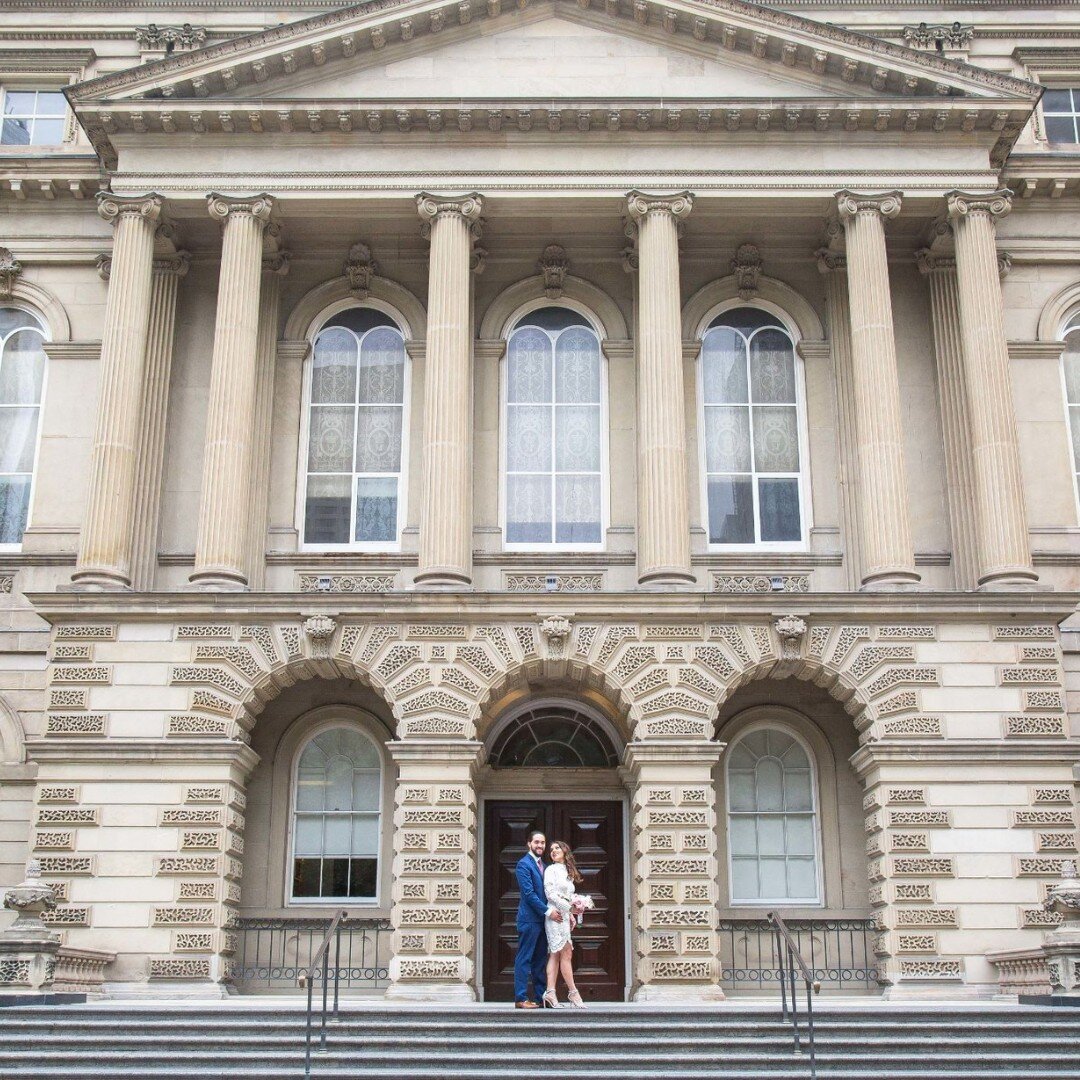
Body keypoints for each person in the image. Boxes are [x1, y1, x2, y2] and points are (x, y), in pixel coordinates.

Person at [514, 830, 562, 1009]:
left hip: (543, 921)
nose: (540, 846)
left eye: (542, 843)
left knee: (540, 960)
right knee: (524, 958)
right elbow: (529, 894)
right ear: (529, 844)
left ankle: (542, 997)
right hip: (529, 920)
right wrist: (549, 912)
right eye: (536, 842)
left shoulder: (544, 865)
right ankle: (520, 998)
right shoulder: (523, 865)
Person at [542, 840, 587, 1009]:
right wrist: (568, 909)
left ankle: (550, 992)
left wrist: (572, 915)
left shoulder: (568, 872)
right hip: (555, 915)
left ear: (565, 850)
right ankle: (573, 993)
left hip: (564, 916)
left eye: (557, 848)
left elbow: (568, 895)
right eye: (551, 849)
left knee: (556, 954)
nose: (553, 851)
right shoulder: (551, 870)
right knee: (565, 953)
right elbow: (550, 894)